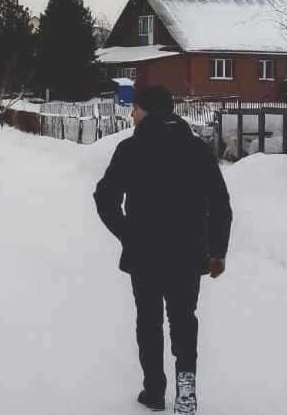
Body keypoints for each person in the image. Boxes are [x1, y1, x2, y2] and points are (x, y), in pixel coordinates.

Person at [93, 85, 232, 414]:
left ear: (147, 111)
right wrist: (217, 251)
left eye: (135, 108)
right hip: (188, 253)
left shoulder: (131, 149)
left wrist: (128, 233)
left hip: (145, 256)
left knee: (149, 322)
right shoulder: (198, 150)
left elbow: (104, 197)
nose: (131, 114)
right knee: (184, 321)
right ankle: (187, 390)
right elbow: (220, 204)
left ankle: (154, 390)